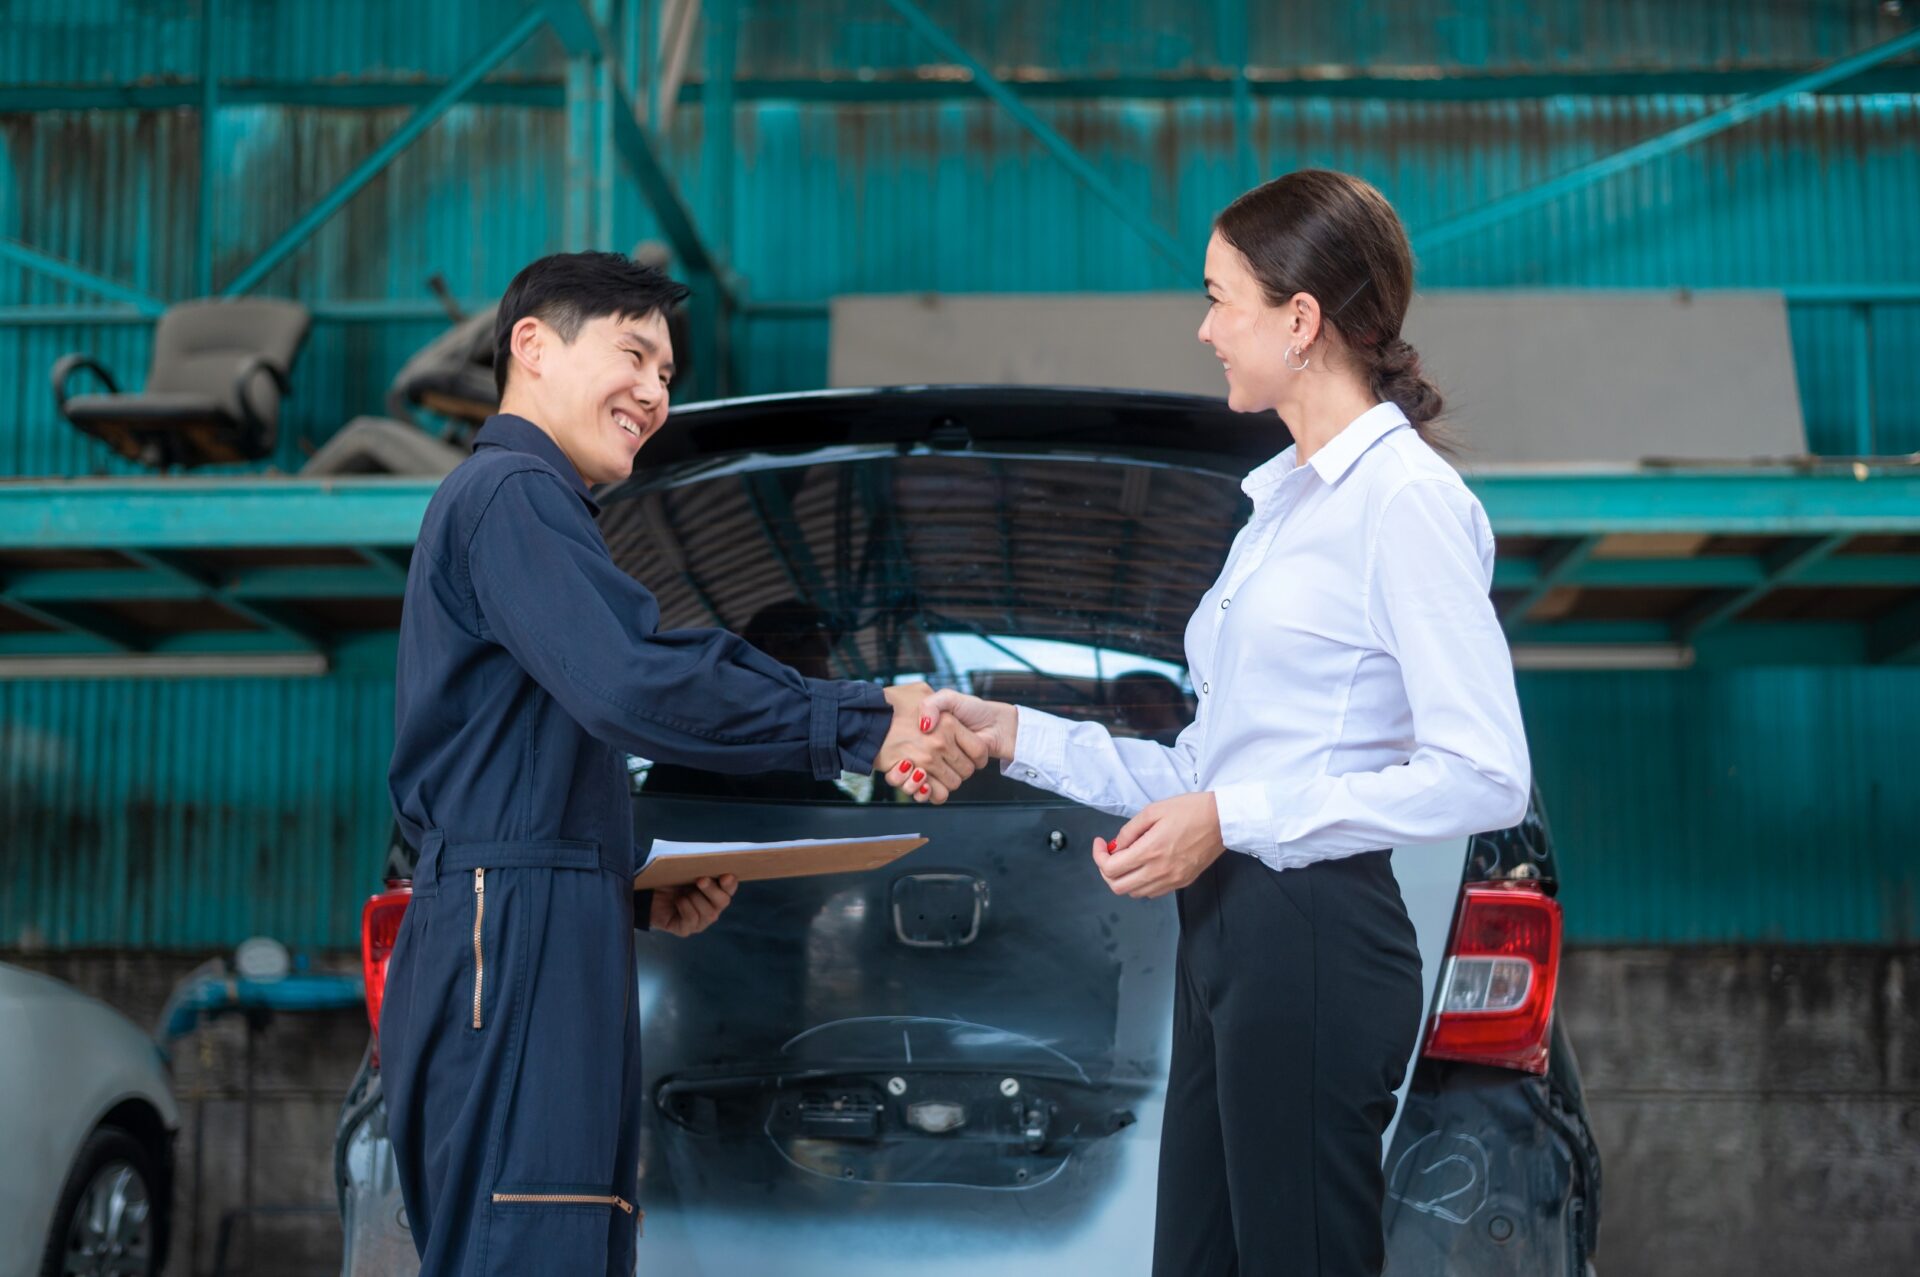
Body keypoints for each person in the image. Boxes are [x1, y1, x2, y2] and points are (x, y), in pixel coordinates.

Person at [920, 170, 1531, 1276]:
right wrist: (1013, 730)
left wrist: (1232, 817)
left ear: (1300, 320)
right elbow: (1205, 767)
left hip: (1313, 934)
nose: (1204, 329)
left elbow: (1485, 772)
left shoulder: (1404, 501)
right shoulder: (1280, 507)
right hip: (1230, 930)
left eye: (1219, 298)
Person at [381, 251, 985, 1276]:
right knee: (529, 1238)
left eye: (666, 374)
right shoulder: (513, 493)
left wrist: (623, 889)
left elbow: (520, 760)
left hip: (534, 921)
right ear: (532, 346)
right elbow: (632, 680)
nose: (655, 393)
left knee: (562, 1226)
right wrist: (859, 720)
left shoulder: (531, 507)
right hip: (512, 936)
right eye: (633, 355)